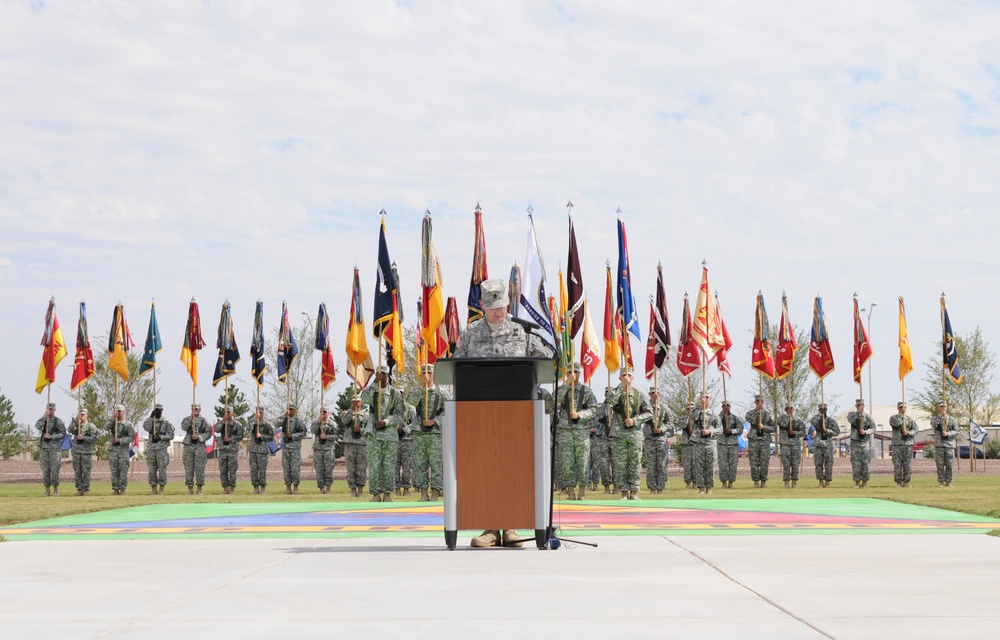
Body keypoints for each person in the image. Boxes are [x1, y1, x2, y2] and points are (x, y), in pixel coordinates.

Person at [454, 277, 553, 548]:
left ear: (508, 303)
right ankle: (490, 528)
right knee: (485, 469)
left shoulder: (522, 333)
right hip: (478, 416)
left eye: (502, 305)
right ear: (483, 305)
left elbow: (544, 361)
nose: (498, 310)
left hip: (518, 416)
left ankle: (511, 527)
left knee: (514, 469)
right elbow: (454, 368)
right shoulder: (470, 335)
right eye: (492, 305)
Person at [607, 367, 652, 500]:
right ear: (620, 378)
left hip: (634, 434)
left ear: (633, 378)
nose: (626, 377)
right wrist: (622, 387)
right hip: (619, 434)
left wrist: (635, 420)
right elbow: (609, 401)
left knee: (635, 463)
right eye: (623, 375)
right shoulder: (615, 392)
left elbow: (649, 412)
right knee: (620, 463)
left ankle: (634, 491)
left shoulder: (639, 394)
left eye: (629, 375)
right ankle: (624, 492)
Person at [363, 366, 406, 502]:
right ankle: (376, 494)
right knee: (374, 465)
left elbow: (401, 416)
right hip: (373, 433)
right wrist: (374, 383)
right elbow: (364, 399)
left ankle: (387, 493)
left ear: (388, 375)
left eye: (384, 374)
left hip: (389, 435)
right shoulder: (373, 390)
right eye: (379, 374)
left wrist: (387, 421)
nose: (381, 376)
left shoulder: (395, 393)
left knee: (388, 465)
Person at [556, 362, 599, 500]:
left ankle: (582, 492)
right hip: (566, 431)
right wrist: (566, 383)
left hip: (581, 430)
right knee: (567, 462)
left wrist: (580, 415)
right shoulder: (562, 390)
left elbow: (594, 409)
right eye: (569, 372)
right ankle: (570, 491)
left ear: (580, 373)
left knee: (583, 461)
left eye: (575, 372)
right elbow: (553, 402)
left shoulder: (586, 391)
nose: (573, 374)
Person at [408, 363, 446, 502]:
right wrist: (420, 387)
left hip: (435, 434)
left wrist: (435, 421)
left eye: (428, 372)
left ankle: (436, 491)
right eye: (423, 373)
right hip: (419, 432)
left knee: (436, 464)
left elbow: (448, 411)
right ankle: (423, 492)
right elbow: (410, 402)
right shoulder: (416, 391)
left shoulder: (441, 392)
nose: (426, 375)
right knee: (420, 464)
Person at [643, 388, 675, 494]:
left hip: (661, 439)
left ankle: (660, 487)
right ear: (649, 394)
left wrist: (662, 429)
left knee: (661, 464)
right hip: (649, 439)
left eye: (657, 392)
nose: (655, 394)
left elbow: (670, 422)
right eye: (653, 393)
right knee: (651, 465)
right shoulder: (645, 407)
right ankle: (652, 488)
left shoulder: (664, 408)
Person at [690, 393, 721, 494]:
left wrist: (710, 432)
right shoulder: (697, 412)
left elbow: (720, 429)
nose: (705, 399)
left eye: (707, 397)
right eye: (703, 397)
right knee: (699, 465)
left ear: (710, 399)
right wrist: (700, 406)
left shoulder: (714, 414)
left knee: (710, 465)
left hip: (710, 442)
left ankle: (709, 487)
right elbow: (692, 416)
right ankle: (701, 488)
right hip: (699, 442)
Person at [339, 392, 369, 497]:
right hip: (350, 443)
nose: (356, 403)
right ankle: (352, 489)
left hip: (362, 444)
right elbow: (344, 422)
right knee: (350, 468)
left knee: (361, 468)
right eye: (353, 401)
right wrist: (352, 412)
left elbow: (370, 430)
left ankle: (360, 490)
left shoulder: (366, 414)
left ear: (361, 402)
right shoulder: (347, 413)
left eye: (358, 401)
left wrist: (360, 430)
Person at [35, 402, 66, 497]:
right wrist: (44, 417)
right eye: (48, 409)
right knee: (45, 470)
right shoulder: (43, 420)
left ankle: (56, 490)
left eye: (51, 409)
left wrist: (52, 436)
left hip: (54, 449)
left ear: (55, 410)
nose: (50, 411)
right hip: (44, 448)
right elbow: (38, 427)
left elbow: (63, 434)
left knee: (55, 470)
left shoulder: (58, 421)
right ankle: (47, 490)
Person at [143, 403, 175, 495]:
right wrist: (150, 417)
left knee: (162, 468)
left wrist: (161, 437)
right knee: (152, 469)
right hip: (151, 448)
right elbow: (146, 427)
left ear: (162, 411)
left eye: (159, 410)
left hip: (161, 449)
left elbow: (171, 435)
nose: (158, 412)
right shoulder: (150, 421)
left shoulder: (166, 422)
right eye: (156, 410)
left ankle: (161, 488)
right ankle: (153, 488)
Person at [180, 403, 212, 494]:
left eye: (197, 409)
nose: (195, 411)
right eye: (193, 409)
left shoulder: (204, 421)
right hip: (188, 445)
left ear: (200, 410)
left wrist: (199, 437)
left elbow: (209, 433)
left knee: (200, 467)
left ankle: (199, 488)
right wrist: (191, 417)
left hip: (199, 446)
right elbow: (183, 427)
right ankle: (190, 488)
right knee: (188, 467)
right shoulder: (187, 419)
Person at [745, 395, 775, 488]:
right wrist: (756, 411)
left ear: (763, 402)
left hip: (764, 440)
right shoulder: (750, 413)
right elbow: (750, 420)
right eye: (757, 401)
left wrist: (764, 427)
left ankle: (764, 481)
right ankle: (756, 481)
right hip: (754, 439)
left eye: (761, 401)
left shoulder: (768, 414)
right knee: (753, 462)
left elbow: (773, 427)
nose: (759, 402)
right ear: (755, 402)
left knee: (764, 462)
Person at [277, 404, 308, 494]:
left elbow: (304, 433)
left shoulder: (299, 421)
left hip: (295, 449)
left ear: (295, 411)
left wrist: (293, 435)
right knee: (286, 468)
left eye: (291, 409)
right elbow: (276, 423)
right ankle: (288, 487)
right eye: (289, 409)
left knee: (295, 469)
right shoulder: (284, 420)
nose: (290, 411)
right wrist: (284, 415)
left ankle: (295, 487)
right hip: (285, 448)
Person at [105, 405, 135, 495]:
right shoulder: (113, 423)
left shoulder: (128, 424)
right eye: (117, 411)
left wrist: (121, 440)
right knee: (114, 470)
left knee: (123, 471)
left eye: (120, 411)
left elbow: (131, 437)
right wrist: (112, 418)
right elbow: (105, 428)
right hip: (113, 450)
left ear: (123, 412)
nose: (118, 413)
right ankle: (115, 489)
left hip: (123, 451)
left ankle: (122, 489)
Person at [68, 408, 98, 496]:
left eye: (83, 414)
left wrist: (84, 438)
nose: (81, 416)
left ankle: (86, 489)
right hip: (76, 452)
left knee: (86, 472)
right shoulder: (77, 425)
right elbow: (69, 430)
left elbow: (95, 438)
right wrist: (75, 421)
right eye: (80, 414)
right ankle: (79, 489)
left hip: (86, 452)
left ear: (87, 415)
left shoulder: (91, 426)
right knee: (77, 471)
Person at [214, 408, 244, 494]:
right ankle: (225, 487)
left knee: (232, 469)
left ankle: (232, 488)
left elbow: (240, 435)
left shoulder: (237, 424)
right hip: (223, 449)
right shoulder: (222, 423)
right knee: (223, 470)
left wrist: (231, 439)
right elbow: (216, 429)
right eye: (226, 412)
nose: (227, 413)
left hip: (232, 449)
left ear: (232, 413)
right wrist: (223, 420)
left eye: (229, 412)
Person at [810, 403, 840, 488]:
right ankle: (820, 482)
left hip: (828, 445)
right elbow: (812, 421)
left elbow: (837, 432)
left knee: (829, 464)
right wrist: (820, 416)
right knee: (818, 464)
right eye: (821, 409)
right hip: (819, 444)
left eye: (824, 409)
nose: (823, 411)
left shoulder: (831, 421)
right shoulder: (816, 419)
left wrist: (827, 430)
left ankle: (827, 482)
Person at [589, 392, 613, 494]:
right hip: (602, 438)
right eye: (607, 393)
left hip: (615, 437)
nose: (609, 395)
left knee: (616, 464)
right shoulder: (602, 407)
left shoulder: (617, 406)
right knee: (603, 464)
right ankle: (606, 486)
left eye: (611, 393)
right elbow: (598, 417)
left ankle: (616, 486)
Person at [847, 399, 875, 488]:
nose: (861, 406)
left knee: (866, 463)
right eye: (859, 405)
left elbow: (873, 428)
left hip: (865, 442)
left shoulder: (868, 417)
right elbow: (851, 420)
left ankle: (865, 482)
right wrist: (858, 413)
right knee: (856, 463)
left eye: (862, 405)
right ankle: (857, 482)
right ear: (856, 406)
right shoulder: (851, 415)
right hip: (855, 442)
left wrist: (866, 431)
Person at [889, 401, 918, 487]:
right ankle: (898, 481)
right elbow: (896, 424)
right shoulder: (894, 418)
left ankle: (906, 482)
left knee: (908, 464)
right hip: (897, 444)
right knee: (897, 463)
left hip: (908, 444)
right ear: (898, 408)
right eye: (901, 407)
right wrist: (901, 418)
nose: (903, 409)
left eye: (904, 407)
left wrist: (908, 432)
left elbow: (916, 430)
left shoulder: (910, 420)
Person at [777, 403, 805, 489]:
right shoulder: (781, 418)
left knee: (795, 464)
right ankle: (786, 482)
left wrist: (795, 432)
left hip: (795, 444)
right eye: (788, 408)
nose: (790, 409)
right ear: (785, 409)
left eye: (791, 408)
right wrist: (789, 416)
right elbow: (782, 424)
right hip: (785, 444)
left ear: (793, 409)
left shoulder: (798, 420)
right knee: (786, 464)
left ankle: (794, 482)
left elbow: (803, 432)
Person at [931, 401, 958, 487]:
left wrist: (948, 434)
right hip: (939, 445)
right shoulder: (934, 419)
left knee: (950, 464)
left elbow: (957, 431)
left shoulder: (952, 419)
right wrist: (941, 418)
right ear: (938, 408)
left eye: (945, 406)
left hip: (949, 444)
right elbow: (934, 425)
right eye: (941, 406)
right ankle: (941, 481)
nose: (943, 408)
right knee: (940, 464)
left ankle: (949, 481)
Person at [247, 408, 275, 494]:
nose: (259, 414)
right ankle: (255, 488)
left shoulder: (267, 425)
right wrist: (254, 418)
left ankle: (263, 488)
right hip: (253, 450)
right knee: (253, 470)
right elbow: (248, 428)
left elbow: (271, 437)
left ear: (264, 413)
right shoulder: (253, 423)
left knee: (262, 470)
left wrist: (262, 436)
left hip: (263, 451)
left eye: (261, 412)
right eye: (258, 412)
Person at [312, 407, 339, 494]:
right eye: (321, 412)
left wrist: (327, 437)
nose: (323, 414)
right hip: (318, 449)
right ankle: (321, 488)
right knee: (319, 469)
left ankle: (328, 487)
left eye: (325, 412)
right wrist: (319, 422)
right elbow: (313, 430)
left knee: (328, 469)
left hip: (328, 449)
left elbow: (337, 436)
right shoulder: (316, 423)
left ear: (328, 413)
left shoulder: (333, 424)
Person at [717, 401, 742, 489]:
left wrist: (732, 431)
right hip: (722, 443)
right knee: (722, 464)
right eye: (724, 406)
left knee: (733, 464)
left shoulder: (735, 418)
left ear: (730, 407)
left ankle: (731, 482)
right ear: (722, 407)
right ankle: (723, 482)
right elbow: (714, 427)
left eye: (727, 406)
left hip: (733, 444)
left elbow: (740, 429)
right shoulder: (718, 418)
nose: (726, 407)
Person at [395, 401, 415, 498]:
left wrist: (404, 430)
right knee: (395, 466)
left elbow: (415, 423)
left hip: (407, 440)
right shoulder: (390, 408)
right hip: (394, 440)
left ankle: (406, 488)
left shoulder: (410, 408)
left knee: (407, 466)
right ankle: (396, 488)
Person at [677, 402, 695, 489]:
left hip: (695, 443)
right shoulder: (683, 418)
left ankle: (695, 482)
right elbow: (682, 426)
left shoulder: (697, 418)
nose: (690, 410)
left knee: (695, 464)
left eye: (692, 409)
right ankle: (688, 482)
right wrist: (688, 418)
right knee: (687, 464)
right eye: (688, 409)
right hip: (686, 443)